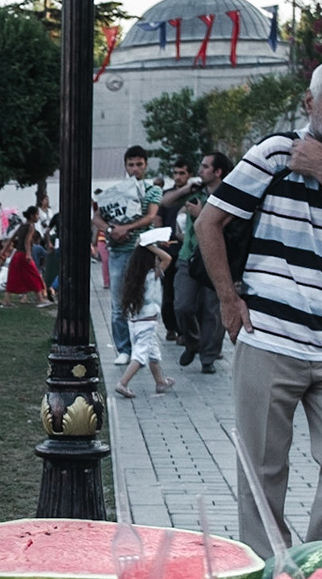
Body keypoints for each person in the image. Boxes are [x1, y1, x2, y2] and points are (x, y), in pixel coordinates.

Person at [197, 56, 322, 558]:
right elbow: (209, 223)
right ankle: (271, 575)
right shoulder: (272, 152)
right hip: (269, 335)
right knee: (261, 468)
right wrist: (228, 299)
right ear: (310, 102)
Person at [93, 146, 163, 365]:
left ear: (145, 165)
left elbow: (150, 216)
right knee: (117, 303)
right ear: (125, 166)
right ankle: (123, 348)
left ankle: (142, 348)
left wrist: (128, 228)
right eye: (131, 165)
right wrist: (112, 230)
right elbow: (97, 217)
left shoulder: (152, 190)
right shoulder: (116, 190)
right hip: (118, 251)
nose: (135, 169)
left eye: (139, 164)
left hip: (142, 251)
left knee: (143, 300)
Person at [170, 152, 232, 373]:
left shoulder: (229, 195)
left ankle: (208, 357)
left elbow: (231, 225)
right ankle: (192, 341)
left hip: (215, 258)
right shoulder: (195, 193)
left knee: (211, 311)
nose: (199, 170)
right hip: (188, 257)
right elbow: (163, 202)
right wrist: (186, 189)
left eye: (205, 167)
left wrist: (201, 214)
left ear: (218, 172)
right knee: (182, 306)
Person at [114, 232, 175, 397]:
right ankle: (123, 383)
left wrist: (142, 245)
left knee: (153, 352)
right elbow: (167, 258)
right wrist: (150, 246)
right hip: (148, 321)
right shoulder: (152, 274)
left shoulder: (134, 276)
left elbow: (139, 254)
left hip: (135, 321)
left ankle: (160, 382)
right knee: (140, 355)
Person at [4, 209, 52, 307]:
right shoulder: (31, 226)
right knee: (35, 276)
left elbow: (11, 238)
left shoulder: (21, 226)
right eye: (37, 215)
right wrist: (29, 254)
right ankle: (40, 300)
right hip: (24, 255)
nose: (38, 217)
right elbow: (27, 241)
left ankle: (7, 300)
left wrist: (3, 251)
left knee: (13, 277)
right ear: (32, 215)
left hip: (17, 255)